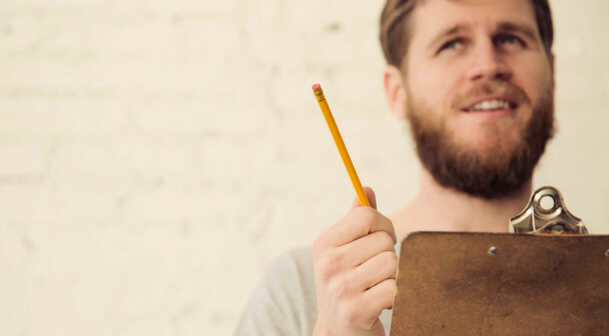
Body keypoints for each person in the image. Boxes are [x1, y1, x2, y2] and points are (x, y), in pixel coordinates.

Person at [236, 0, 556, 334]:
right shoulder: (298, 294)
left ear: (552, 72)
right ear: (397, 92)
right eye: (452, 43)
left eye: (511, 39)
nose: (488, 65)